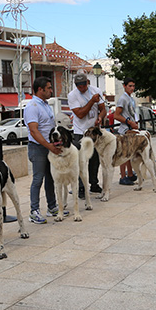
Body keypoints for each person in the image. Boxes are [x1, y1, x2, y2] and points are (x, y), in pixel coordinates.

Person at [25, 76, 63, 224]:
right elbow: (34, 131)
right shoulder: (32, 106)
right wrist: (49, 147)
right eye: (48, 88)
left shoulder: (46, 105)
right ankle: (34, 210)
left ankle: (52, 206)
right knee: (38, 179)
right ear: (40, 89)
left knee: (50, 177)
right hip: (38, 147)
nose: (51, 90)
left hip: (49, 147)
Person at [68, 73, 106, 194]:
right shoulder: (72, 95)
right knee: (81, 160)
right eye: (79, 86)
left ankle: (93, 183)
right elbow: (80, 114)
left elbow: (103, 109)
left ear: (87, 82)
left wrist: (100, 117)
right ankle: (81, 187)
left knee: (95, 159)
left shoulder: (96, 90)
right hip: (81, 131)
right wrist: (91, 101)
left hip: (93, 131)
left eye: (83, 85)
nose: (82, 88)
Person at [114, 77, 139, 185]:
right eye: (130, 86)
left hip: (131, 129)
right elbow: (116, 115)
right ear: (124, 86)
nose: (132, 88)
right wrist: (129, 122)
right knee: (123, 154)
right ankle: (123, 176)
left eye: (133, 86)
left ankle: (130, 174)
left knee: (129, 154)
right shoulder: (123, 99)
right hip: (125, 130)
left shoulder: (130, 98)